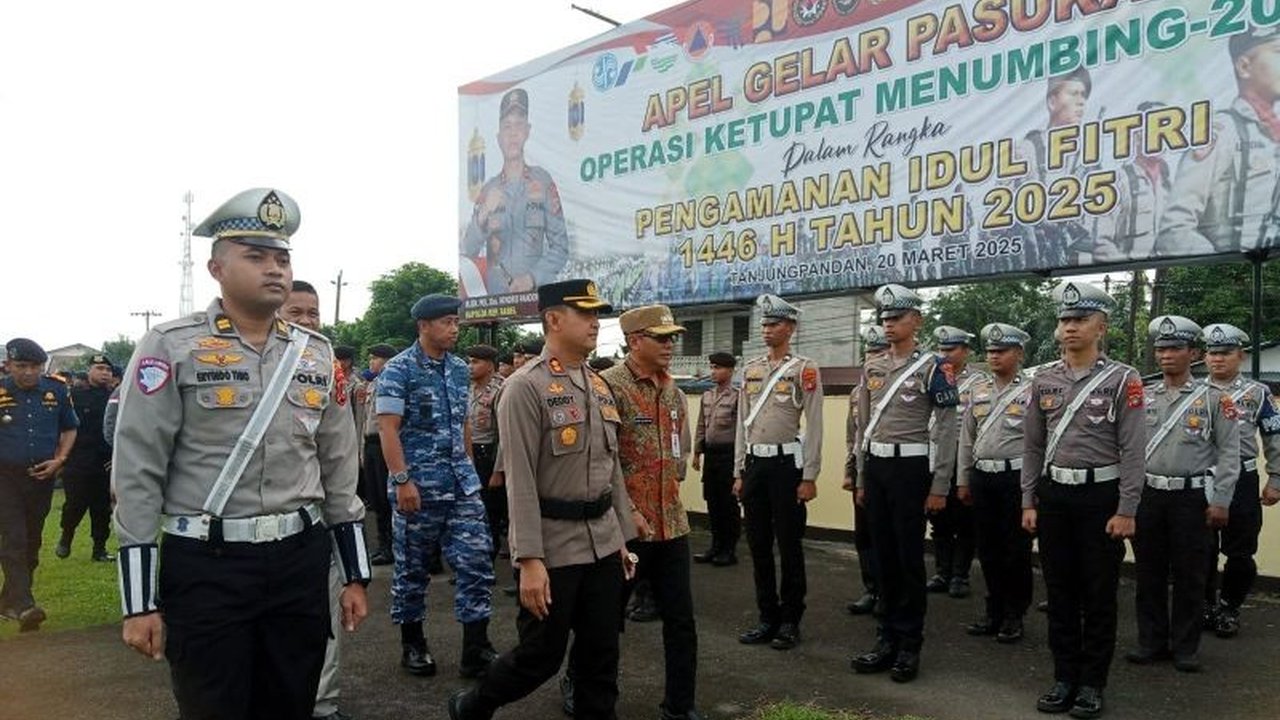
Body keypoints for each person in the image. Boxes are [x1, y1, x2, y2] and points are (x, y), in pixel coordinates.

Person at [112, 188, 371, 720]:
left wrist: (354, 573)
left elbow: (340, 466)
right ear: (216, 267)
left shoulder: (316, 353)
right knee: (213, 706)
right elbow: (138, 469)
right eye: (255, 256)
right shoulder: (170, 345)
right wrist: (139, 602)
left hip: (299, 559)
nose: (274, 269)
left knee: (292, 702)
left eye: (282, 258)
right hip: (209, 564)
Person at [449, 279, 638, 720]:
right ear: (553, 319)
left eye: (597, 314)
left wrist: (624, 538)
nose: (596, 322)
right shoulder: (524, 388)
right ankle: (475, 705)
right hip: (554, 546)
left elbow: (612, 471)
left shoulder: (598, 385)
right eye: (585, 314)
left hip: (604, 542)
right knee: (541, 654)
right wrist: (529, 559)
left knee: (601, 654)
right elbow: (519, 479)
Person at [1021, 281, 1144, 719]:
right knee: (1059, 590)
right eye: (1064, 320)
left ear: (1101, 326)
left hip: (1101, 497)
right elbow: (1032, 446)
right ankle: (1063, 676)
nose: (1069, 327)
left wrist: (1127, 509)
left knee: (1098, 593)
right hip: (1054, 495)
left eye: (1079, 320)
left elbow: (1133, 449)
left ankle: (1092, 683)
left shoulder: (1123, 379)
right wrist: (1028, 501)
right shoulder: (1043, 379)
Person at [377, 294, 497, 679]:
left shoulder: (460, 369)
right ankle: (413, 644)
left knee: (477, 560)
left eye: (455, 322)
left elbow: (461, 421)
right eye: (446, 322)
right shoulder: (399, 370)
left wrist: (467, 467)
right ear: (423, 325)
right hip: (418, 487)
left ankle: (475, 649)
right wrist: (402, 480)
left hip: (461, 486)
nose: (454, 329)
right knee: (413, 569)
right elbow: (387, 429)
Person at [850, 285, 958, 683]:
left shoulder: (935, 367)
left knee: (909, 559)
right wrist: (861, 476)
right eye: (884, 318)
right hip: (876, 468)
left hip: (911, 471)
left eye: (896, 317)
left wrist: (940, 485)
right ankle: (885, 638)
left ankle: (909, 645)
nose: (888, 324)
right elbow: (863, 427)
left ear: (917, 320)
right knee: (882, 556)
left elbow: (947, 429)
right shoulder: (872, 367)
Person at [602, 305, 701, 720]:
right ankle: (586, 690)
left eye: (671, 337)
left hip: (672, 523)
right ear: (634, 340)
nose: (669, 344)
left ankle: (679, 706)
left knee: (681, 623)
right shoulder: (607, 386)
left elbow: (678, 448)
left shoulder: (673, 391)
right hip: (626, 530)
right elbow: (600, 461)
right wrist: (627, 511)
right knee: (605, 623)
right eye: (660, 338)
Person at [1127, 316, 1239, 674]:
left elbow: (1229, 453)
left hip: (1192, 500)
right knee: (1149, 574)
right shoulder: (1141, 395)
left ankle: (1186, 647)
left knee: (1191, 576)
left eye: (1175, 348)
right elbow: (1127, 448)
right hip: (1150, 496)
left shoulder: (1215, 399)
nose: (1166, 355)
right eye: (1160, 348)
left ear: (1193, 353)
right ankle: (1151, 642)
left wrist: (1221, 500)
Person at [281, 279, 361, 720]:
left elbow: (339, 453)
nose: (309, 321)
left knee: (324, 622)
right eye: (297, 313)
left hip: (312, 522)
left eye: (314, 313)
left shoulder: (327, 367)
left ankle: (323, 705)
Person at [734, 293, 823, 652]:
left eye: (774, 324)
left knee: (789, 545)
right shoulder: (751, 368)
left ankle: (790, 621)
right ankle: (766, 617)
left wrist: (810, 475)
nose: (767, 330)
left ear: (791, 328)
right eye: (765, 324)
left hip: (788, 467)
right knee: (757, 544)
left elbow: (815, 425)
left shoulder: (804, 369)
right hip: (755, 465)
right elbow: (743, 422)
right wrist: (739, 469)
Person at [1159, 26, 1280, 255]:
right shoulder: (1223, 132)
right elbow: (1173, 231)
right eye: (1278, 51)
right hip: (1232, 278)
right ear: (1244, 66)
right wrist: (1222, 266)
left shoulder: (1274, 135)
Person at [1201, 323, 1280, 637]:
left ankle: (1229, 608)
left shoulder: (1257, 393)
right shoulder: (1195, 391)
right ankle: (1204, 606)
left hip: (1243, 479)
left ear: (1241, 356)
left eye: (1225, 353)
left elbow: (1274, 437)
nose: (1218, 359)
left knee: (1240, 551)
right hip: (1204, 478)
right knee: (1202, 548)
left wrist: (1276, 478)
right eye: (1212, 353)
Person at [957, 324, 1034, 644]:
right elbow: (966, 439)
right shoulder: (979, 390)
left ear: (1018, 354)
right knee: (987, 549)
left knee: (1015, 550)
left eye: (1001, 351)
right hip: (983, 477)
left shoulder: (1033, 390)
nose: (994, 356)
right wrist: (963, 479)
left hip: (1015, 479)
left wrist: (1032, 490)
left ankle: (1015, 614)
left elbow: (1038, 444)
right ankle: (994, 611)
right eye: (990, 351)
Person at [0, 338, 77, 632]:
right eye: (22, 366)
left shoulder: (56, 390)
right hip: (5, 479)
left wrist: (60, 460)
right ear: (9, 365)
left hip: (41, 479)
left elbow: (69, 427)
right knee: (14, 538)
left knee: (32, 541)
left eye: (35, 367)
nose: (29, 372)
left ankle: (9, 600)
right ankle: (24, 606)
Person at [462, 88, 570, 295]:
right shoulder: (488, 190)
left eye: (519, 125)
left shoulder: (542, 182)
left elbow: (561, 247)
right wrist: (484, 212)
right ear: (498, 136)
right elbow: (468, 250)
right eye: (507, 126)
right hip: (495, 301)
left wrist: (532, 278)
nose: (513, 133)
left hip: (534, 296)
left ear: (527, 131)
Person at [926, 325, 982, 599]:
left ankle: (960, 575)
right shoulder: (931, 375)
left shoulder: (980, 382)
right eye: (941, 349)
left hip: (964, 455)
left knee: (965, 518)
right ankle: (942, 571)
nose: (945, 355)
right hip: (937, 454)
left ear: (966, 351)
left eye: (951, 349)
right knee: (939, 516)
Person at [845, 325, 888, 617]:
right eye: (868, 353)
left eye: (878, 352)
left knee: (887, 534)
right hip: (863, 469)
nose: (871, 358)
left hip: (891, 468)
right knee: (864, 534)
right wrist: (849, 471)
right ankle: (871, 588)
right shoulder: (856, 392)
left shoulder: (902, 387)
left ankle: (888, 591)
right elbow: (852, 435)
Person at [56, 352, 116, 562]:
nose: (104, 373)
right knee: (75, 504)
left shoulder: (115, 396)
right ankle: (66, 536)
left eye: (108, 370)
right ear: (89, 371)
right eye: (100, 369)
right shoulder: (74, 394)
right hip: (78, 460)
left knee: (102, 508)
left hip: (105, 462)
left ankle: (99, 549)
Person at [692, 351, 740, 566]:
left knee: (728, 503)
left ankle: (729, 549)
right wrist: (696, 453)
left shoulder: (738, 396)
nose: (713, 371)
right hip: (711, 455)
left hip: (729, 455)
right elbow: (701, 425)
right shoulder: (708, 396)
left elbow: (741, 431)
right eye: (712, 367)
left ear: (730, 370)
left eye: (718, 368)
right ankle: (715, 546)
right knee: (712, 501)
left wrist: (740, 463)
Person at [467, 344, 506, 564]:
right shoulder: (469, 389)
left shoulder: (500, 390)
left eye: (475, 362)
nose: (470, 367)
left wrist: (498, 470)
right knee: (472, 510)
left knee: (490, 512)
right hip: (470, 454)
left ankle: (487, 562)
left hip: (489, 456)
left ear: (490, 365)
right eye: (469, 361)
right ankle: (474, 558)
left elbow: (503, 434)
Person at [362, 344, 398, 566]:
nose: (371, 363)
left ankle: (391, 547)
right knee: (376, 499)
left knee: (387, 499)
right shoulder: (373, 383)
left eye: (375, 358)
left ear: (387, 361)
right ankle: (383, 544)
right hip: (371, 444)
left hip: (384, 443)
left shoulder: (393, 383)